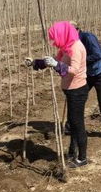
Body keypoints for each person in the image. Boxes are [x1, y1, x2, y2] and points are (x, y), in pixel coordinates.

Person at [25, 21, 89, 168]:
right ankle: (73, 152)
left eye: (55, 37)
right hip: (70, 90)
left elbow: (74, 69)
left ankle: (82, 158)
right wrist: (35, 63)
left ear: (64, 34)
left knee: (77, 124)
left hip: (77, 91)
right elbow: (53, 61)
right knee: (73, 123)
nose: (54, 41)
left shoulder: (76, 47)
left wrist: (57, 65)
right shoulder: (66, 47)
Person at [70, 22, 101, 142]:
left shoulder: (88, 37)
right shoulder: (71, 42)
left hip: (100, 72)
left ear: (77, 29)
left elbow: (97, 55)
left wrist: (81, 61)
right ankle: (70, 125)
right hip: (87, 74)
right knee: (77, 96)